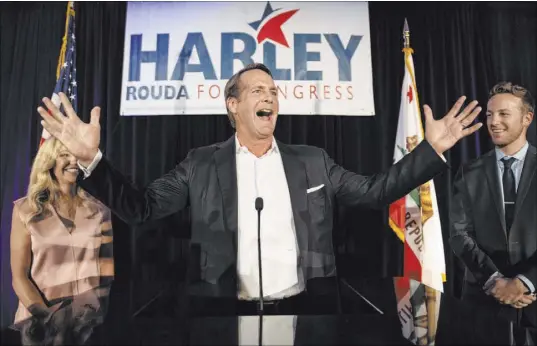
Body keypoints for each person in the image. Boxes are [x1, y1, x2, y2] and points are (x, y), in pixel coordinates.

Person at [38, 63, 481, 317]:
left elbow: (372, 191)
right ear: (233, 105)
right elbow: (142, 208)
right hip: (223, 314)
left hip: (306, 309)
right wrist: (93, 161)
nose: (270, 95)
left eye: (273, 90)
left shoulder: (312, 161)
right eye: (258, 90)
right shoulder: (201, 163)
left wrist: (431, 150)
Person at [449, 81, 537, 345]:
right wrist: (494, 281)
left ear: (527, 118)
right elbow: (458, 234)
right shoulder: (469, 172)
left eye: (503, 114)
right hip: (483, 304)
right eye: (489, 114)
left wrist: (524, 282)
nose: (493, 122)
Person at [10, 137, 114, 345]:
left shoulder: (100, 210)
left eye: (77, 155)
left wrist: (97, 309)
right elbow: (19, 275)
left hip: (84, 325)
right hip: (38, 324)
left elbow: (106, 268)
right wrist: (45, 318)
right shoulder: (25, 210)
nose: (73, 161)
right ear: (49, 161)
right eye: (65, 155)